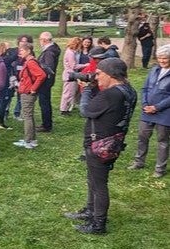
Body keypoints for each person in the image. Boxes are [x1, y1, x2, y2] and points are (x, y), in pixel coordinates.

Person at [64, 58, 137, 234]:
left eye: (99, 74)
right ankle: (91, 211)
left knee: (99, 184)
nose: (96, 77)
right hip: (112, 143)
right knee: (93, 181)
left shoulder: (111, 94)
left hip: (100, 145)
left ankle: (98, 224)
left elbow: (86, 110)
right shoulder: (128, 90)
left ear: (111, 75)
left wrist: (87, 89)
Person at [128, 44, 170, 178]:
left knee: (162, 141)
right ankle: (139, 161)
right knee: (142, 137)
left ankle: (160, 169)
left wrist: (157, 107)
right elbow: (145, 88)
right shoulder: (154, 70)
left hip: (164, 113)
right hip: (147, 111)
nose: (162, 61)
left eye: (165, 58)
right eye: (160, 58)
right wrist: (145, 104)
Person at [13, 43, 46, 150]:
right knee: (29, 116)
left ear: (28, 51)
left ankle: (28, 141)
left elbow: (41, 75)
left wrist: (33, 88)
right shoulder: (28, 61)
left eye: (22, 50)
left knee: (27, 116)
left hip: (28, 93)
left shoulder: (31, 63)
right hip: (26, 91)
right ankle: (32, 139)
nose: (20, 52)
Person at [36, 31, 61, 132]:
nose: (39, 42)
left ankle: (46, 125)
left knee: (44, 103)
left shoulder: (49, 52)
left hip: (45, 81)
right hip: (48, 81)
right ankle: (47, 123)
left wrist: (38, 66)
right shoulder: (53, 48)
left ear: (45, 40)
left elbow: (48, 68)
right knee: (46, 102)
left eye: (40, 40)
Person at [59, 37, 83, 115]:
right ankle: (64, 109)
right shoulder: (70, 53)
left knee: (70, 92)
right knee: (68, 93)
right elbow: (74, 66)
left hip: (70, 74)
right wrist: (85, 65)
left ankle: (66, 108)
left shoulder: (71, 52)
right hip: (70, 75)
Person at [0, 41, 15, 129]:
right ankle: (1, 122)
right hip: (4, 83)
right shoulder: (5, 59)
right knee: (3, 103)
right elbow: (14, 56)